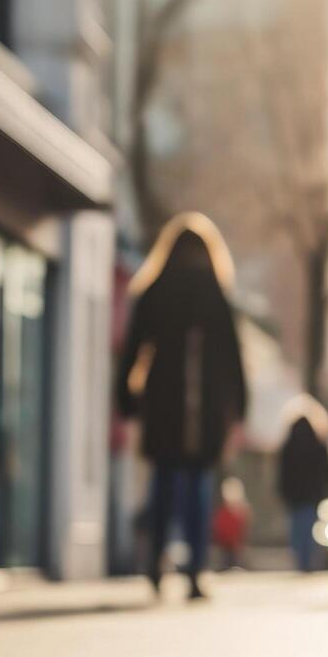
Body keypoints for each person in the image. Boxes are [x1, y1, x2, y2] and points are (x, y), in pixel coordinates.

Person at [117, 212, 248, 601]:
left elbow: (134, 350)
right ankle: (194, 570)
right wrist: (238, 409)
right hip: (204, 410)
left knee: (163, 484)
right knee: (197, 488)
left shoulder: (155, 289)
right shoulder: (216, 293)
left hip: (163, 405)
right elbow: (233, 358)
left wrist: (126, 400)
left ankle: (156, 563)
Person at [278, 395, 328, 573]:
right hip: (312, 493)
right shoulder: (319, 442)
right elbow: (326, 470)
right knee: (309, 527)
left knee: (297, 527)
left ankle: (300, 560)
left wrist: (283, 491)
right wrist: (325, 490)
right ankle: (308, 560)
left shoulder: (289, 443)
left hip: (294, 494)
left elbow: (283, 471)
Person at [211, 476, 250, 571]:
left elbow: (243, 527)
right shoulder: (222, 511)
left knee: (235, 555)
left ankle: (236, 565)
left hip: (235, 543)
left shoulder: (242, 510)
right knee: (226, 555)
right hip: (225, 541)